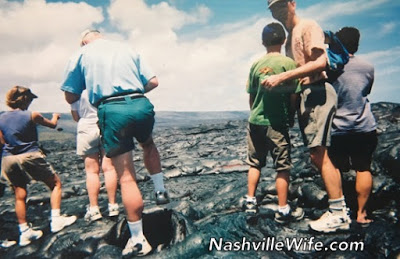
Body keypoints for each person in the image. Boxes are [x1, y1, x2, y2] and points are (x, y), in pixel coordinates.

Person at [60, 30, 168, 256]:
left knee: (127, 176)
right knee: (148, 144)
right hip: (141, 104)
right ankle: (160, 190)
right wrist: (134, 90)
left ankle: (138, 239)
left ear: (84, 42)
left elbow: (70, 96)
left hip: (113, 109)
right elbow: (153, 81)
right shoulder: (126, 47)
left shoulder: (82, 54)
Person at [264, 0, 351, 233]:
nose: (278, 12)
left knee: (319, 154)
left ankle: (338, 213)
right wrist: (291, 110)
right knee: (317, 154)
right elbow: (297, 77)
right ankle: (338, 209)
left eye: (282, 5)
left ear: (293, 3)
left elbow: (320, 62)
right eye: (273, 9)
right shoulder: (291, 36)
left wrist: (282, 78)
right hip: (306, 96)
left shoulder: (308, 26)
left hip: (318, 92)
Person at [0, 86, 77, 246]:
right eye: (30, 99)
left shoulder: (1, 118)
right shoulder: (32, 115)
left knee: (19, 193)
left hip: (9, 158)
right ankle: (56, 220)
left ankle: (25, 232)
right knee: (55, 184)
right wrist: (55, 117)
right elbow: (52, 125)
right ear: (25, 99)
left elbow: (2, 141)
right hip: (30, 155)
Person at [243, 22, 304, 224]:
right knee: (282, 167)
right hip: (277, 123)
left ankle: (250, 201)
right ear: (284, 40)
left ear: (263, 42)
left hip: (256, 121)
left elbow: (251, 95)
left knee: (255, 163)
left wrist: (255, 113)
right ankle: (283, 209)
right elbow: (294, 95)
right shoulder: (288, 65)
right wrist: (292, 116)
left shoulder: (256, 65)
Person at [328, 27, 377, 225]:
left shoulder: (330, 68)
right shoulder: (368, 67)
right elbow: (367, 90)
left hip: (338, 127)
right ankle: (362, 214)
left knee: (336, 168)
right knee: (363, 168)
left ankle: (340, 211)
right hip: (364, 126)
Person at [70, 89, 119, 221]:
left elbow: (76, 117)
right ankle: (113, 206)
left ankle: (94, 208)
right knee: (109, 168)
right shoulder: (102, 87)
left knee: (92, 171)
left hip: (86, 127)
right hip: (105, 125)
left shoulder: (76, 93)